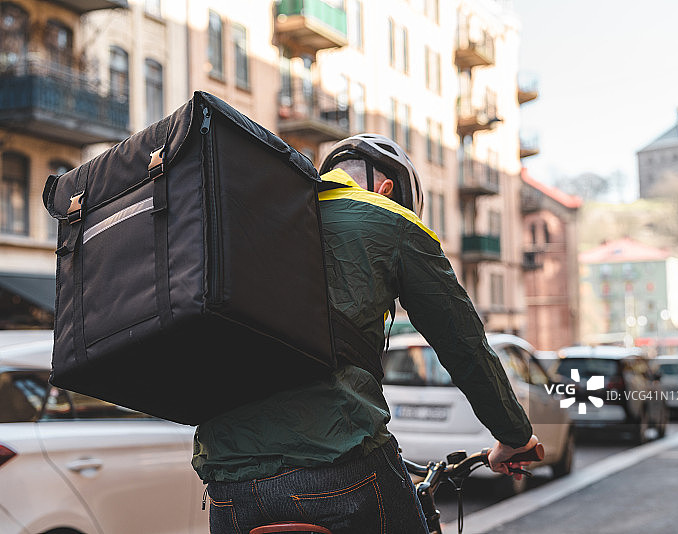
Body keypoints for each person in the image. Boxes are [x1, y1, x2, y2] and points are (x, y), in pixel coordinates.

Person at [192, 134, 536, 534]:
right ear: (386, 189)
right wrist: (514, 436)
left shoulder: (257, 219)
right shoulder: (390, 220)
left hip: (229, 484)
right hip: (340, 469)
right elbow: (464, 345)